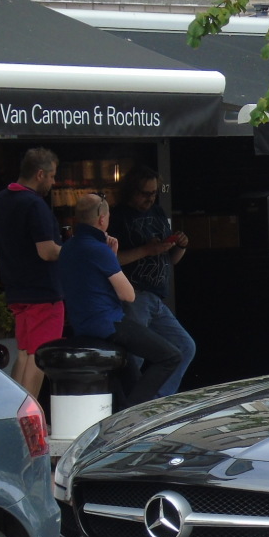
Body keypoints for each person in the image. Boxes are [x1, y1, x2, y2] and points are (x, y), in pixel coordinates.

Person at [58, 194, 181, 407]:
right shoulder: (98, 249)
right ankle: (127, 416)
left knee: (131, 379)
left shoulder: (68, 247)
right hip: (108, 324)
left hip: (81, 325)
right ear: (102, 219)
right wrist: (110, 256)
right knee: (171, 356)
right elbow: (128, 295)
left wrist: (112, 256)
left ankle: (129, 413)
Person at [108, 165, 194, 397]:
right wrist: (147, 249)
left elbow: (169, 260)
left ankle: (156, 399)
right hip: (133, 294)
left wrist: (180, 246)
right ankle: (130, 403)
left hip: (156, 295)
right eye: (144, 193)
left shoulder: (156, 213)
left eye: (154, 193)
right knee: (133, 355)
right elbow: (110, 259)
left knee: (184, 346)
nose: (149, 198)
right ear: (131, 191)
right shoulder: (118, 218)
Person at [0, 147, 63, 399]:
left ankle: (15, 410)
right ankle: (29, 417)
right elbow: (47, 251)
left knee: (24, 352)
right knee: (39, 353)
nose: (54, 182)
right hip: (43, 292)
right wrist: (73, 251)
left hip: (16, 289)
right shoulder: (34, 204)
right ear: (40, 174)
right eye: (52, 176)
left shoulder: (1, 200)